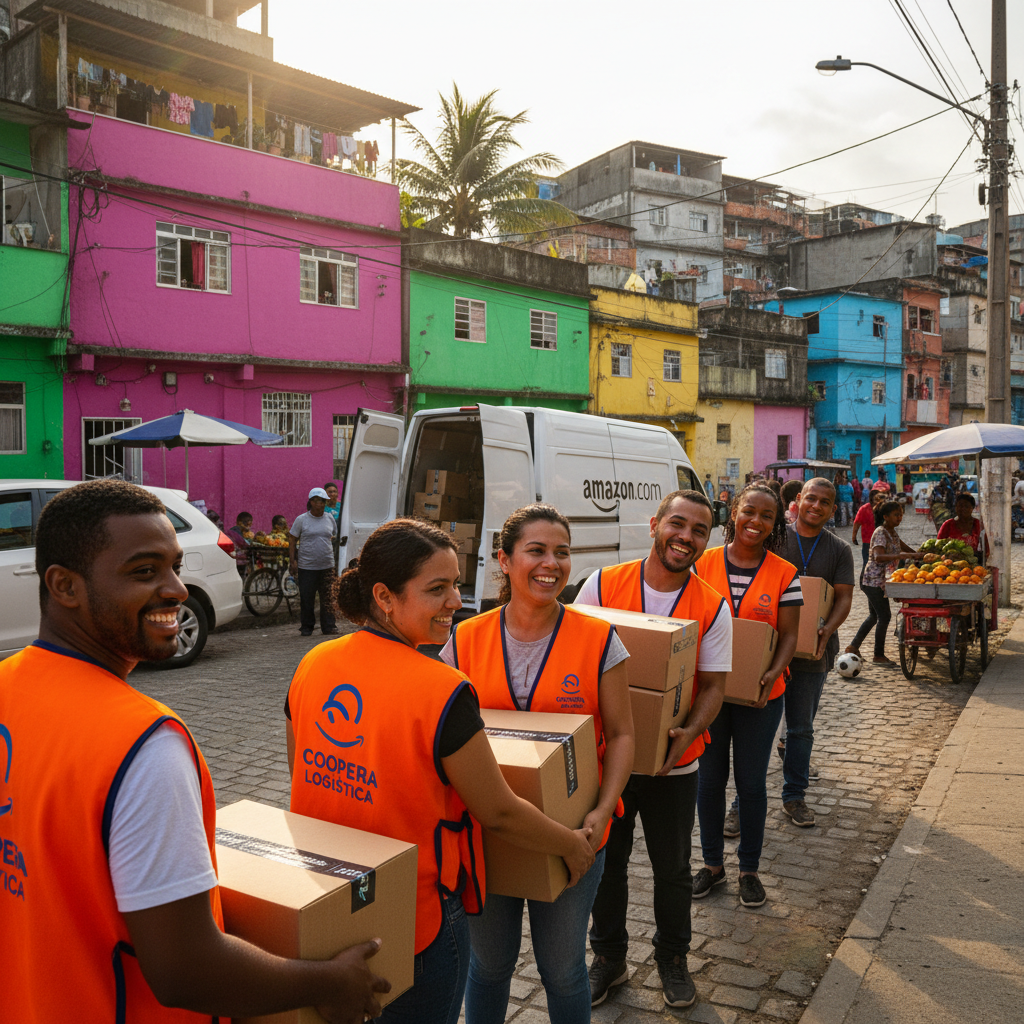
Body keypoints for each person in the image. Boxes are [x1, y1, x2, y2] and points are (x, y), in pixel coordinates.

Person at [0, 479, 390, 1023]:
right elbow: (186, 969)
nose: (177, 590)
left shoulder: (9, 684)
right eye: (145, 571)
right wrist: (331, 981)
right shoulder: (142, 743)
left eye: (175, 566)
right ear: (64, 586)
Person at [286, 518, 594, 1024]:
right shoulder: (442, 689)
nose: (456, 600)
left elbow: (301, 769)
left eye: (455, 584)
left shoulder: (314, 663)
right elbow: (498, 811)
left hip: (332, 900)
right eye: (437, 589)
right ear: (384, 596)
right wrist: (571, 845)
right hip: (418, 916)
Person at [443, 504, 635, 1024]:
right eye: (537, 551)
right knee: (488, 965)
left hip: (575, 834)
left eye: (562, 552)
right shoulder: (464, 639)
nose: (552, 563)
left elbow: (622, 734)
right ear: (504, 560)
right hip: (488, 831)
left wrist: (603, 811)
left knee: (563, 970)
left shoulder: (599, 640)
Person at [574, 489, 731, 1009]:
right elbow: (573, 662)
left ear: (707, 541)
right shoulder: (602, 585)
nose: (686, 537)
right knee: (606, 865)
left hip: (674, 765)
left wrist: (690, 731)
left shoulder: (712, 605)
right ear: (655, 524)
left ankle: (673, 959)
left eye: (699, 531)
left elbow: (714, 686)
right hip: (606, 762)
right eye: (677, 524)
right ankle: (609, 959)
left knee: (673, 869)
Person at [692, 482, 802, 909]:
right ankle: (713, 865)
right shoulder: (702, 564)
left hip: (761, 696)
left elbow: (789, 635)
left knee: (752, 784)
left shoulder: (784, 573)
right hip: (709, 694)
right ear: (734, 511)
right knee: (708, 781)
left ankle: (749, 870)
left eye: (767, 516)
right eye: (749, 511)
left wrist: (772, 674)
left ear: (776, 524)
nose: (756, 521)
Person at [773, 479, 854, 828]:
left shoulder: (839, 550)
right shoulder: (776, 539)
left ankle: (794, 796)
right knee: (754, 728)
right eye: (811, 499)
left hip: (814, 652)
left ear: (833, 509)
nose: (816, 506)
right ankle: (740, 804)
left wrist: (827, 630)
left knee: (801, 729)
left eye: (824, 502)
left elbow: (844, 598)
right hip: (770, 648)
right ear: (798, 500)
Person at [847, 501, 920, 665]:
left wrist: (917, 555)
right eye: (896, 515)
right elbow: (878, 556)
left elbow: (901, 546)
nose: (899, 518)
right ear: (885, 517)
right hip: (874, 581)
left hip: (879, 581)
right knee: (884, 616)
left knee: (874, 616)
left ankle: (853, 647)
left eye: (901, 515)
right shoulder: (881, 532)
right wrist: (900, 556)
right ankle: (878, 655)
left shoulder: (891, 532)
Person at [290, 487, 338, 636]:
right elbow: (292, 539)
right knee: (307, 597)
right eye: (317, 501)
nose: (320, 504)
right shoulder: (301, 519)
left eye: (323, 501)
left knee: (328, 597)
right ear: (311, 502)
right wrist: (292, 561)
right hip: (307, 566)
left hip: (327, 565)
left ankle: (329, 626)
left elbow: (334, 535)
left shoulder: (329, 518)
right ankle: (307, 626)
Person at [937, 492, 989, 560]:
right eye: (960, 505)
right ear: (956, 507)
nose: (963, 509)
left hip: (972, 563)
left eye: (966, 506)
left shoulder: (978, 524)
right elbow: (937, 547)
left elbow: (986, 550)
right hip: (949, 563)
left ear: (972, 508)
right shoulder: (947, 525)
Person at [852, 491, 884, 580]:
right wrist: (854, 536)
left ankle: (871, 581)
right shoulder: (865, 509)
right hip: (870, 541)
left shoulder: (881, 508)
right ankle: (864, 581)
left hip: (877, 541)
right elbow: (857, 523)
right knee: (868, 562)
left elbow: (857, 523)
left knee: (873, 562)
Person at [226, 511, 253, 579]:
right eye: (247, 524)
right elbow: (242, 544)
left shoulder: (236, 531)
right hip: (237, 558)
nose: (249, 527)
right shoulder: (236, 531)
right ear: (240, 523)